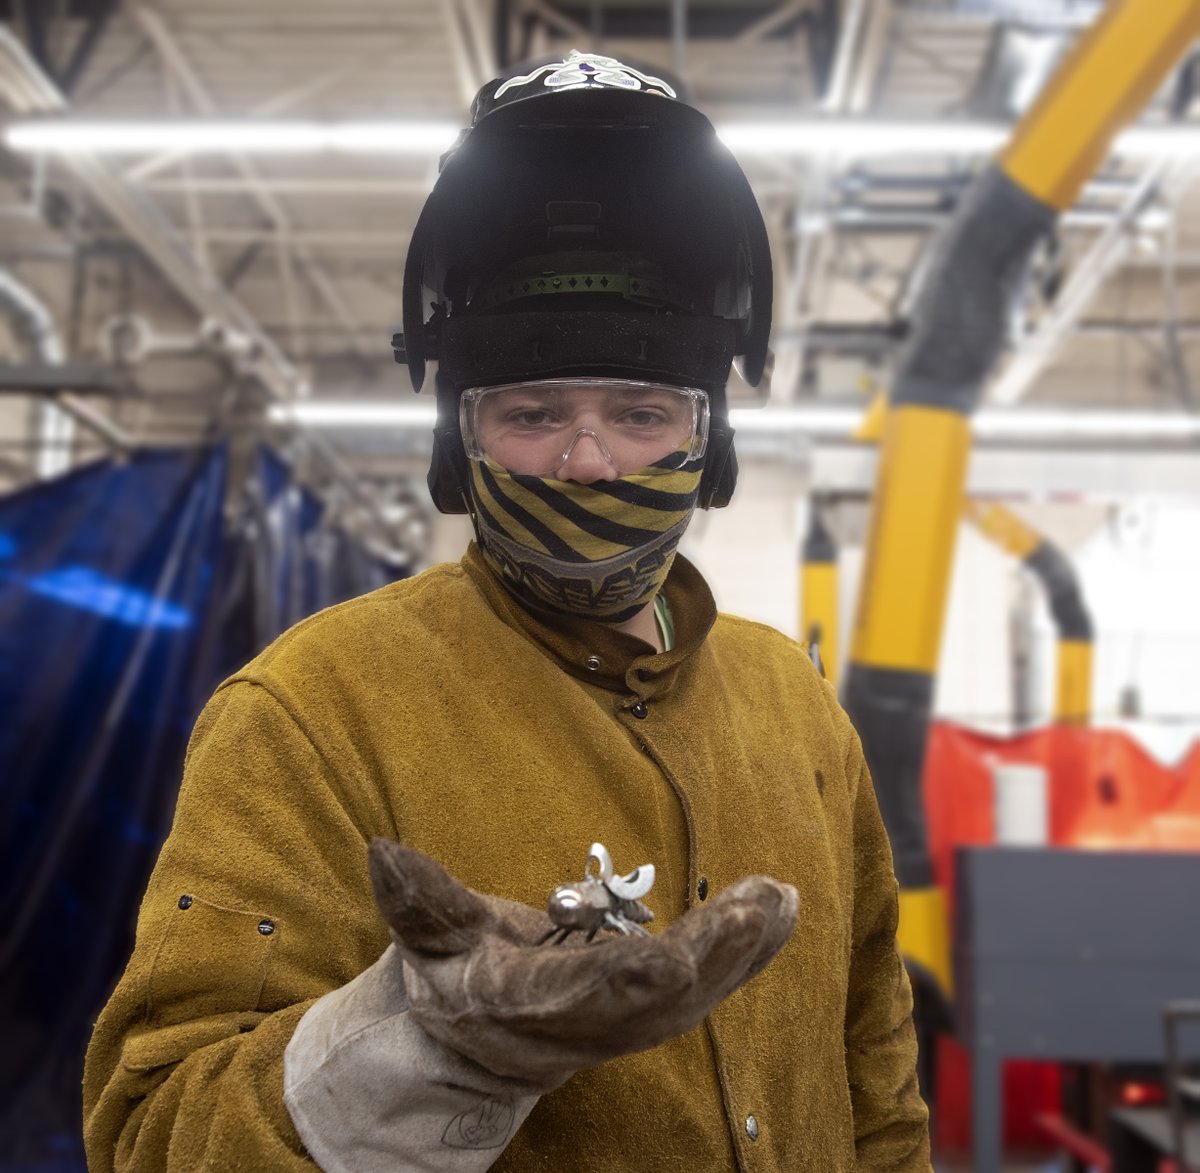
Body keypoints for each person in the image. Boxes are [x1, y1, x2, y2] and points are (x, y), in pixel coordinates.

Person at [83, 51, 931, 1172]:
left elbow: (874, 1070)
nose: (586, 463)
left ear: (709, 439)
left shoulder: (797, 708)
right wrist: (423, 1045)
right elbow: (156, 1134)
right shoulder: (310, 711)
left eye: (639, 414)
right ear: (459, 440)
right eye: (533, 413)